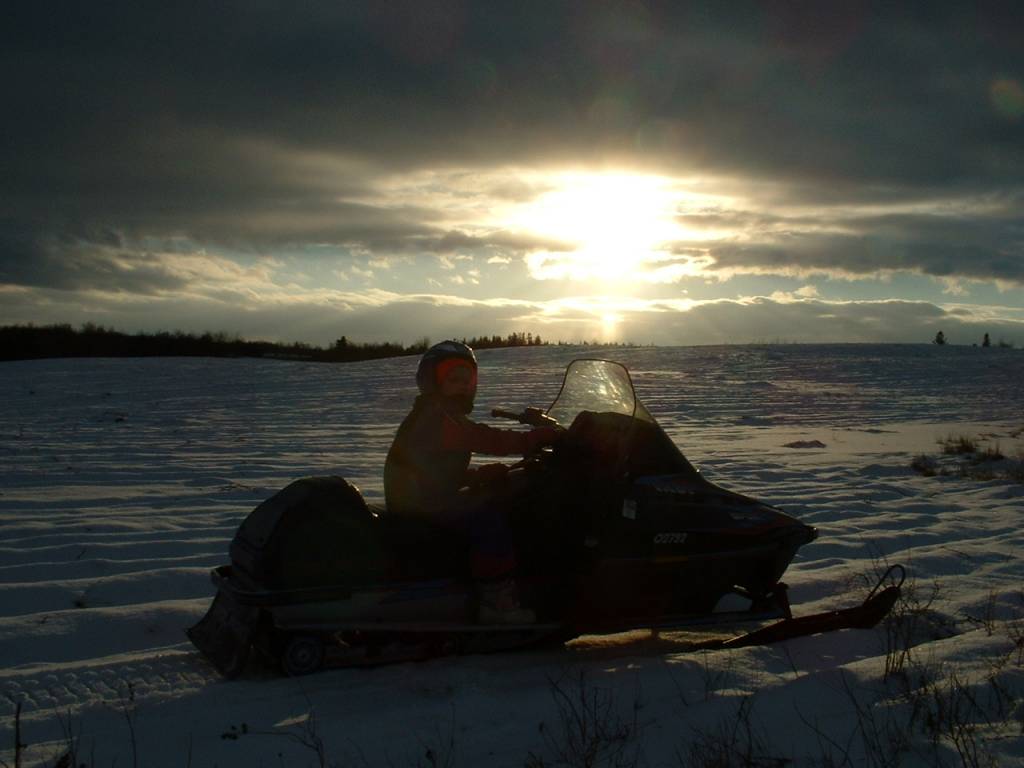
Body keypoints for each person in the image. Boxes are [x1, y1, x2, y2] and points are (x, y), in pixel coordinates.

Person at [384, 340, 561, 624]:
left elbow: (431, 468)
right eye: (454, 380)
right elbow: (486, 438)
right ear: (432, 382)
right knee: (488, 520)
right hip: (421, 505)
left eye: (467, 380)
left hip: (422, 495)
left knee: (499, 493)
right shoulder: (436, 418)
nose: (463, 387)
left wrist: (477, 476)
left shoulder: (438, 415)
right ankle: (497, 602)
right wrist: (534, 438)